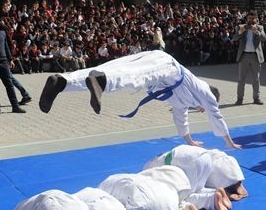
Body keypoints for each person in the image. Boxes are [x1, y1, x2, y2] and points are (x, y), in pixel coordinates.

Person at [39, 50, 241, 149]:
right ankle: (102, 82)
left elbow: (181, 118)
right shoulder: (204, 90)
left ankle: (62, 82)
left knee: (116, 70)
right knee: (131, 78)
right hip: (166, 67)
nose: (203, 110)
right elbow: (215, 113)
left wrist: (189, 141)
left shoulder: (185, 101)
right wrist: (229, 142)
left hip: (156, 63)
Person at [143, 145, 248, 210]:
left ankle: (205, 201)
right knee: (198, 189)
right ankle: (213, 195)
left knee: (181, 198)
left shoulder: (148, 176)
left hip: (187, 162)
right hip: (202, 156)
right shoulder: (154, 163)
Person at [232, 10, 266, 105]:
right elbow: (234, 38)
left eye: (253, 18)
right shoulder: (241, 27)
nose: (251, 20)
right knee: (241, 79)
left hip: (255, 56)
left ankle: (256, 98)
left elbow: (264, 38)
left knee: (256, 79)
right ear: (247, 19)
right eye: (249, 18)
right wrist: (240, 31)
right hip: (244, 56)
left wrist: (257, 32)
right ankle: (240, 99)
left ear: (256, 19)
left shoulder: (260, 27)